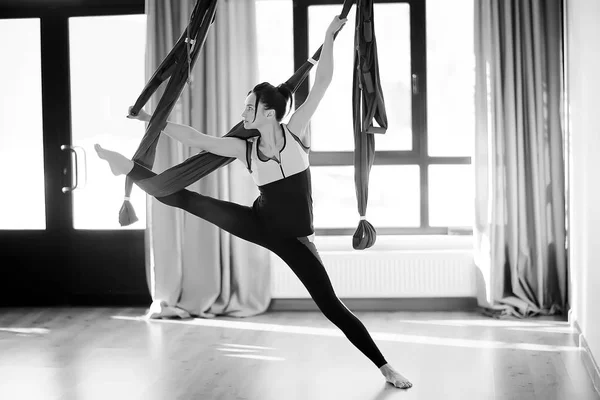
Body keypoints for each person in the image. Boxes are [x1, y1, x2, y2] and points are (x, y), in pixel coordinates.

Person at [95, 15, 412, 390]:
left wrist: (328, 37)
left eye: (249, 107)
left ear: (268, 112)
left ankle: (385, 367)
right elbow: (197, 140)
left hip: (295, 241)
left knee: (332, 307)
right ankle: (129, 168)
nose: (243, 113)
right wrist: (151, 118)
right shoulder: (245, 148)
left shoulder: (295, 131)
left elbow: (322, 82)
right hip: (258, 223)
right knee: (185, 200)